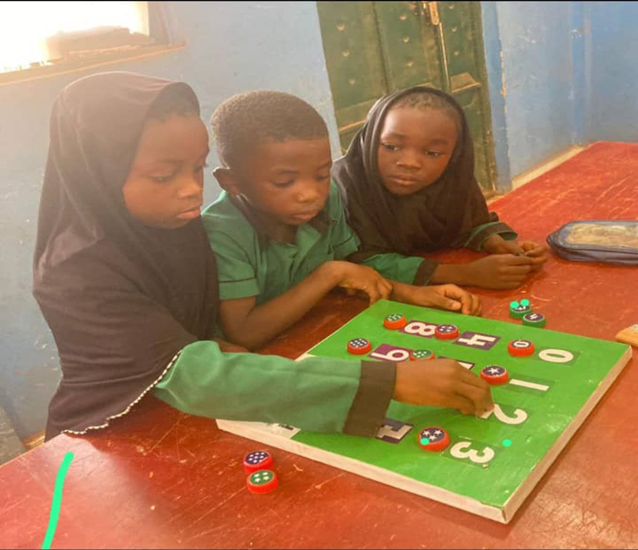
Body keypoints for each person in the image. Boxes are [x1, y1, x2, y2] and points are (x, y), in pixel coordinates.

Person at [33, 72, 493, 441]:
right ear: (96, 175)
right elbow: (193, 374)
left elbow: (207, 337)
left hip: (214, 411)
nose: (193, 189)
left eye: (195, 168)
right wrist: (387, 382)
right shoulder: (77, 273)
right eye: (163, 175)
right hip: (120, 435)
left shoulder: (173, 223)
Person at [203, 90, 482, 352]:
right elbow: (244, 333)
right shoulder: (222, 233)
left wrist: (409, 293)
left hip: (313, 327)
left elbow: (353, 266)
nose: (311, 194)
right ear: (232, 182)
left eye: (322, 175)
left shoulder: (330, 196)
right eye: (285, 181)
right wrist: (330, 274)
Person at [332, 86, 549, 290]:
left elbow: (468, 222)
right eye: (391, 146)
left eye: (432, 153)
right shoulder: (342, 190)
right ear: (369, 140)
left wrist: (495, 243)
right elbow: (358, 263)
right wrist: (464, 274)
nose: (409, 162)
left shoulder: (451, 181)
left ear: (454, 157)